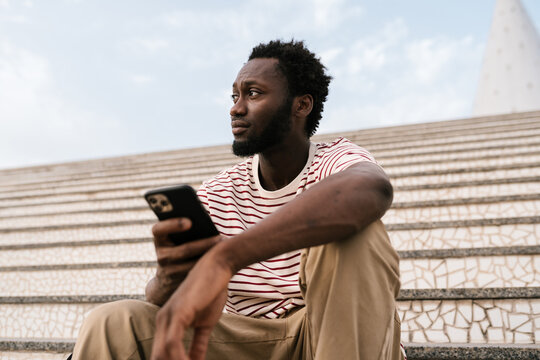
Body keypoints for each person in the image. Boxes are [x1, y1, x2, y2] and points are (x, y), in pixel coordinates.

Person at [72, 39, 405, 360]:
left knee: (357, 234)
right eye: (234, 95)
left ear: (301, 105)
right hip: (246, 342)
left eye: (254, 94)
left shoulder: (335, 160)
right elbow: (180, 303)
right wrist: (167, 281)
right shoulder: (217, 192)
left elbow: (372, 189)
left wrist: (228, 256)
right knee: (113, 322)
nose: (236, 108)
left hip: (330, 335)